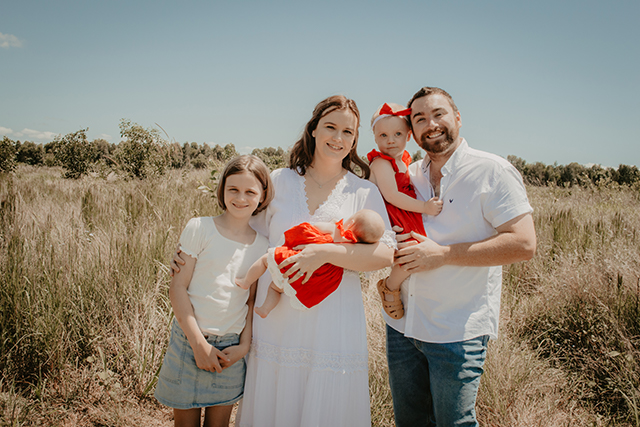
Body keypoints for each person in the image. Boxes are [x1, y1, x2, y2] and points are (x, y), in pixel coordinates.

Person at [173, 95, 395, 426]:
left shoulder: (362, 191)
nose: (338, 138)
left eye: (348, 132)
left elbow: (384, 253)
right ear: (314, 130)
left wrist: (322, 253)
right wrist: (193, 254)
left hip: (332, 318)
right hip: (274, 319)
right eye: (330, 127)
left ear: (355, 139)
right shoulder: (280, 180)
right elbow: (244, 234)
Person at [384, 87, 537, 427]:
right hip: (402, 326)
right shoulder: (407, 176)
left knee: (455, 423)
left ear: (457, 118)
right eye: (419, 118)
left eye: (438, 114)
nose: (431, 124)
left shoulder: (492, 171)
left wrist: (443, 255)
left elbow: (524, 244)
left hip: (457, 331)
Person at [155, 155, 274, 427]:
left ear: (262, 195)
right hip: (190, 342)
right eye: (233, 189)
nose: (241, 198)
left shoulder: (262, 245)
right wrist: (198, 344)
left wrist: (244, 346)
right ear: (221, 189)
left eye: (250, 192)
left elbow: (250, 299)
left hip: (230, 350)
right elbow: (178, 288)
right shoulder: (200, 227)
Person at [367, 102, 443, 319]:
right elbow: (391, 195)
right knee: (412, 250)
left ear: (408, 136)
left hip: (405, 211)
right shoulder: (382, 163)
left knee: (418, 250)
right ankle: (390, 286)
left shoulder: (405, 161)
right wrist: (425, 207)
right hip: (393, 214)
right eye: (383, 135)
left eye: (397, 134)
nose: (390, 140)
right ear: (375, 138)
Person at [236, 209, 385, 318]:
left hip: (297, 261)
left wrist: (329, 225)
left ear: (351, 222)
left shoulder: (337, 230)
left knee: (265, 260)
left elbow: (315, 227)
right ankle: (266, 309)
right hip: (309, 278)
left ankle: (246, 281)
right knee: (276, 289)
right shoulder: (352, 248)